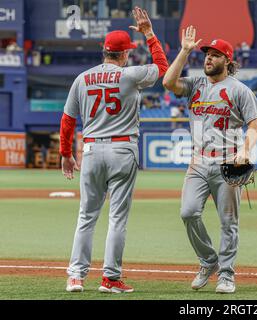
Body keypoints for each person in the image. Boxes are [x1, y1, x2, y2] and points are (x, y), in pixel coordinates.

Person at [60, 6, 168, 293]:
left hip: (92, 150)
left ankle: (75, 276)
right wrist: (149, 34)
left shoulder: (82, 78)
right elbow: (163, 69)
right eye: (128, 52)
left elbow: (68, 120)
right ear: (123, 54)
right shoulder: (131, 74)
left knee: (86, 215)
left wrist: (65, 154)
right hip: (122, 149)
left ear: (103, 51)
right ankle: (110, 278)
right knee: (117, 217)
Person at [162, 26, 257, 294]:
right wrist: (184, 51)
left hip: (228, 162)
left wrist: (245, 150)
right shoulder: (195, 84)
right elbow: (168, 83)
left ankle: (227, 274)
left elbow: (255, 125)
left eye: (215, 54)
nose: (208, 57)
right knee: (188, 212)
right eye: (207, 53)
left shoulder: (239, 90)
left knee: (228, 222)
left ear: (227, 62)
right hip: (198, 161)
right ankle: (209, 261)